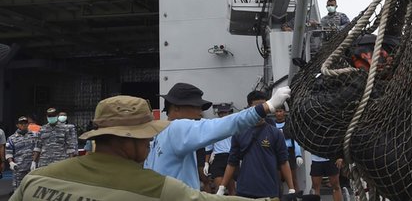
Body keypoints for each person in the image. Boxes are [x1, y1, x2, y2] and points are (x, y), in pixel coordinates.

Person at [9, 96, 278, 201]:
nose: (149, 144)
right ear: (130, 140)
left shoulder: (36, 180)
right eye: (145, 138)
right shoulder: (155, 189)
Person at [144, 82, 291, 190]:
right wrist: (267, 106)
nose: (199, 112)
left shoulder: (159, 134)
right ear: (175, 107)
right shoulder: (178, 128)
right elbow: (222, 125)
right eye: (194, 106)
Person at [218, 91, 296, 198]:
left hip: (269, 191)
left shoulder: (276, 133)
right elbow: (232, 162)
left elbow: (283, 162)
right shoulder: (239, 132)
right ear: (250, 108)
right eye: (258, 107)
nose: (262, 110)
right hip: (244, 191)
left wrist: (291, 188)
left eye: (264, 106)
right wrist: (222, 187)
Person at [204, 103, 236, 195]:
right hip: (218, 157)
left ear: (228, 113)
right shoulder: (214, 126)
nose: (222, 115)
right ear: (218, 114)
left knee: (232, 189)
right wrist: (206, 162)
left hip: (231, 157)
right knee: (219, 190)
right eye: (221, 113)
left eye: (224, 112)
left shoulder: (234, 125)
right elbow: (209, 146)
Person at [274, 105, 303, 192]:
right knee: (277, 181)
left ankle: (296, 197)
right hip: (276, 154)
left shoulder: (290, 125)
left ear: (284, 112)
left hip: (289, 153)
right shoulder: (271, 125)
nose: (279, 113)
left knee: (293, 180)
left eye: (280, 111)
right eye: (277, 111)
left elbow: (296, 140)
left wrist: (298, 155)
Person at [5, 117, 38, 191]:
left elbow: (38, 149)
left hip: (32, 168)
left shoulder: (35, 135)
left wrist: (34, 161)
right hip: (19, 169)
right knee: (18, 190)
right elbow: (8, 152)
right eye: (21, 123)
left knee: (32, 190)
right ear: (17, 125)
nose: (24, 125)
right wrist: (11, 162)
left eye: (25, 123)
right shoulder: (12, 138)